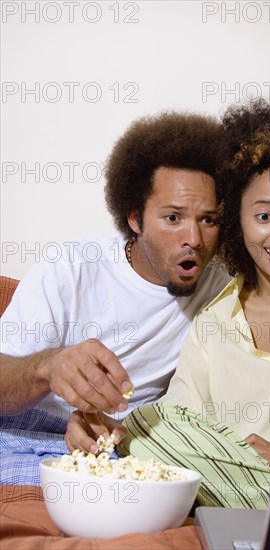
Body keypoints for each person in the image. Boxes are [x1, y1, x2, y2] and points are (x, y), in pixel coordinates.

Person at [117, 99, 270, 509]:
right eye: (264, 216)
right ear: (236, 219)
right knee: (144, 427)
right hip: (250, 517)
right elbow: (172, 436)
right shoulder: (213, 324)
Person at [0, 111, 230, 485]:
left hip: (119, 447)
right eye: (173, 218)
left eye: (208, 220)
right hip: (23, 428)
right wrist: (48, 367)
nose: (194, 238)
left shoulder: (223, 295)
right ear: (135, 220)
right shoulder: (72, 266)